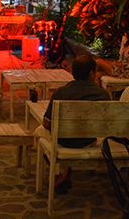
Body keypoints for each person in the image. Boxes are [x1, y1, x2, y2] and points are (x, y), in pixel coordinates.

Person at [37, 54, 110, 193]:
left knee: (39, 132)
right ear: (91, 74)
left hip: (64, 141)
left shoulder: (61, 92)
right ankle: (64, 171)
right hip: (89, 140)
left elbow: (47, 123)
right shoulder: (102, 95)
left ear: (72, 72)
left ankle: (59, 172)